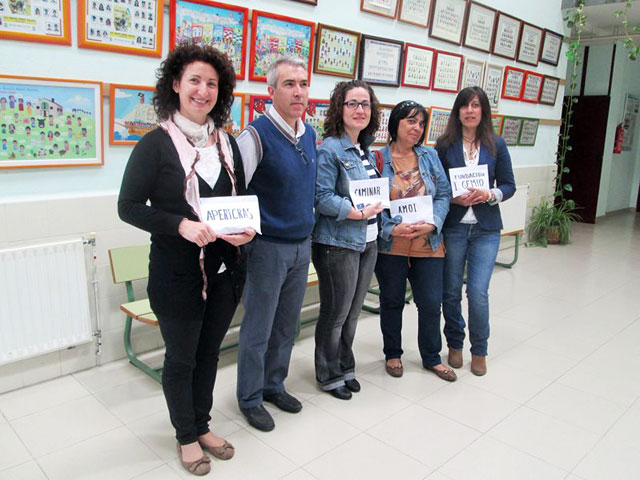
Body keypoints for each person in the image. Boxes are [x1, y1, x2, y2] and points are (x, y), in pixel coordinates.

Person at [118, 45, 254, 476]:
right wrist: (179, 225)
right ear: (175, 85)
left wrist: (247, 228)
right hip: (177, 275)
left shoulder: (227, 143)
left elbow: (240, 199)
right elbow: (128, 207)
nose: (203, 90)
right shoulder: (155, 144)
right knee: (182, 359)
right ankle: (185, 436)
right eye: (194, 80)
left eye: (212, 83)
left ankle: (202, 425)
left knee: (209, 353)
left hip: (225, 271)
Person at [235, 57, 316, 431]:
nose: (298, 92)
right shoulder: (255, 136)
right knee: (258, 329)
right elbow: (234, 191)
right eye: (289, 84)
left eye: (303, 84)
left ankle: (273, 385)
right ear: (271, 91)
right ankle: (250, 398)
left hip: (301, 245)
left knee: (286, 326)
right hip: (266, 248)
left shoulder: (308, 134)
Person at [435, 86, 516, 376]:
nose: (470, 111)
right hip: (454, 228)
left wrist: (490, 194)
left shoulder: (496, 144)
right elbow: (436, 186)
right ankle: (455, 343)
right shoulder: (444, 145)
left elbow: (509, 185)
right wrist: (451, 198)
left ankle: (479, 349)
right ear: (457, 111)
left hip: (486, 229)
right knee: (451, 291)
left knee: (478, 292)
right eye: (464, 105)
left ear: (483, 110)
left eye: (475, 105)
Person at [312, 79, 383, 400]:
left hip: (368, 241)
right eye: (352, 103)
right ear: (339, 109)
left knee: (353, 314)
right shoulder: (330, 149)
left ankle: (344, 366)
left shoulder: (365, 150)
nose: (359, 110)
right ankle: (328, 375)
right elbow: (322, 197)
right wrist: (356, 212)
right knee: (335, 314)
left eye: (365, 104)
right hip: (337, 243)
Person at [375, 100, 454, 381]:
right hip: (392, 244)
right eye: (411, 121)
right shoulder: (378, 159)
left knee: (431, 302)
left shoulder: (430, 156)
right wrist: (390, 228)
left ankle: (432, 357)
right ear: (395, 124)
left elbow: (443, 194)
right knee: (392, 300)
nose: (417, 128)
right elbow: (372, 203)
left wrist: (434, 222)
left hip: (427, 242)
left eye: (421, 123)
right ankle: (392, 354)